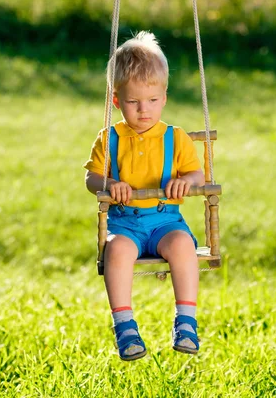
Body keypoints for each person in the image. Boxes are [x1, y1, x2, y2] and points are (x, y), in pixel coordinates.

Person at [83, 31, 204, 360]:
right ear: (116, 100)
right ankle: (125, 326)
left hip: (165, 221)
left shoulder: (175, 138)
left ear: (164, 97)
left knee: (182, 245)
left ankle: (187, 321)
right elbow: (91, 178)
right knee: (117, 251)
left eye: (152, 101)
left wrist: (187, 183)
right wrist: (108, 185)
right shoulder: (109, 138)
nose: (144, 110)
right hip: (125, 224)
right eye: (134, 102)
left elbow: (197, 175)